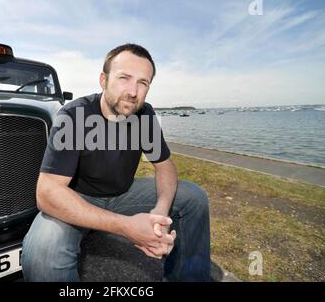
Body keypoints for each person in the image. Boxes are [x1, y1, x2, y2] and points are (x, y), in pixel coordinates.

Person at [21, 43, 211, 282]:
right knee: (43, 251)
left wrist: (159, 212)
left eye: (143, 83)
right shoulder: (74, 115)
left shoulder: (145, 115)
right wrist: (126, 227)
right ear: (103, 79)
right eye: (124, 78)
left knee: (194, 197)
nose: (133, 91)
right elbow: (47, 192)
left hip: (123, 193)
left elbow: (165, 167)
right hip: (79, 197)